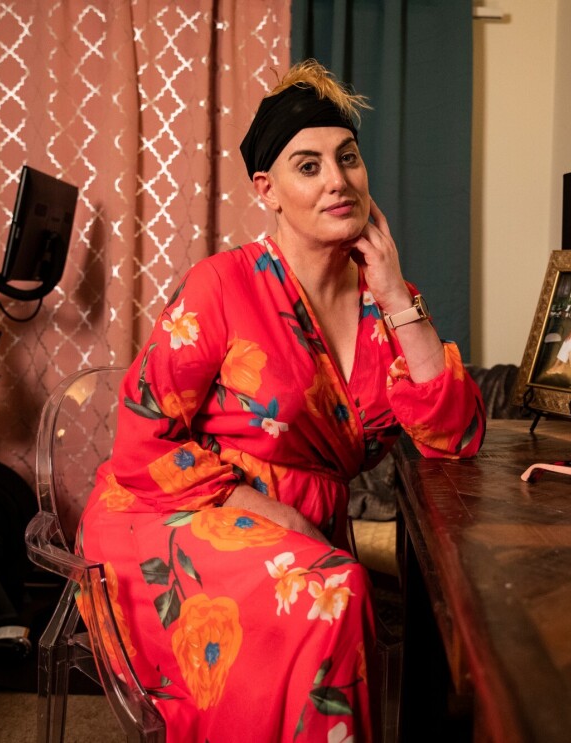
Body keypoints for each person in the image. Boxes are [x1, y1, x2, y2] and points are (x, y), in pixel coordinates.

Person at [76, 59, 485, 742]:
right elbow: (139, 440)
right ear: (267, 189)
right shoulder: (222, 285)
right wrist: (265, 509)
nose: (336, 179)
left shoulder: (379, 305)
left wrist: (393, 292)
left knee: (340, 588)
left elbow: (455, 433)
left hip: (303, 528)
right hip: (179, 509)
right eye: (308, 165)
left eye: (347, 158)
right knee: (335, 593)